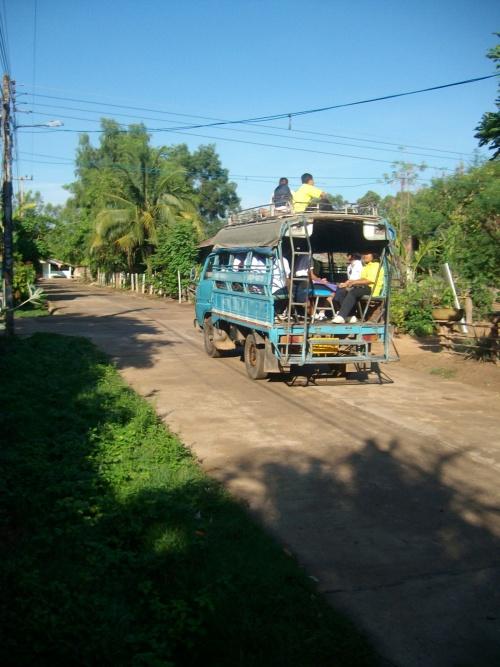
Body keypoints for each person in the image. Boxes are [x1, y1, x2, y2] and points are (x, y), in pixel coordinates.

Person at [332, 251, 384, 323]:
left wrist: (354, 282)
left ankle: (341, 316)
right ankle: (350, 315)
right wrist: (348, 283)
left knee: (353, 292)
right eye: (364, 254)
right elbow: (362, 279)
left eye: (367, 254)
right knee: (342, 291)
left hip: (372, 288)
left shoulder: (375, 265)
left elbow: (370, 280)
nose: (365, 256)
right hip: (364, 287)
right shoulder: (367, 266)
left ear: (373, 255)